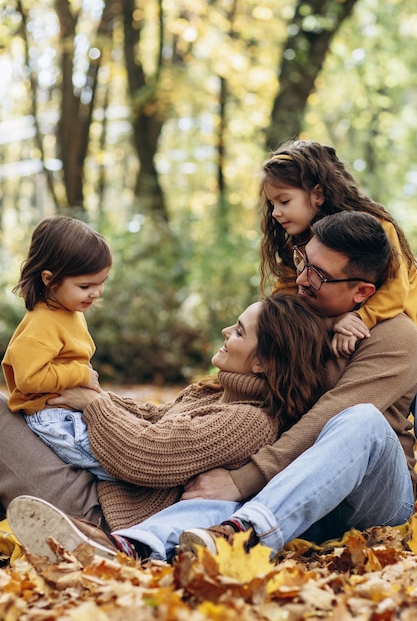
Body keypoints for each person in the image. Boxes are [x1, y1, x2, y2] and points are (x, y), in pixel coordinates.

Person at [6, 210, 417, 563]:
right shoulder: (303, 315)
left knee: (358, 420)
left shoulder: (394, 338)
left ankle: (244, 533)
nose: (302, 278)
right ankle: (202, 532)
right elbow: (163, 421)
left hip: (366, 496)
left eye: (319, 275)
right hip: (284, 492)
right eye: (302, 261)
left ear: (361, 292)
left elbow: (324, 418)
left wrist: (246, 479)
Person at [4, 293, 334, 561]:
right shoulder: (214, 393)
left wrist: (94, 404)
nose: (226, 332)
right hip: (98, 487)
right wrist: (91, 394)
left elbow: (147, 454)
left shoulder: (249, 421)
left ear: (264, 362)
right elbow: (152, 418)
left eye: (239, 332)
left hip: (103, 515)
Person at [258, 139, 417, 357]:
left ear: (318, 194)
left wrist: (358, 319)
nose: (275, 212)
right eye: (272, 204)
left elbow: (395, 291)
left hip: (398, 327)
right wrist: (332, 322)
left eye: (284, 201)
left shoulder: (374, 229)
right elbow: (283, 298)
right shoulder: (297, 245)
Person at [1, 216, 115, 481]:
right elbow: (28, 379)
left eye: (101, 282)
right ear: (50, 280)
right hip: (52, 419)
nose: (96, 293)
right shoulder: (42, 323)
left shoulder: (69, 310)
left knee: (118, 449)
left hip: (68, 413)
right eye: (85, 286)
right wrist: (82, 375)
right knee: (114, 467)